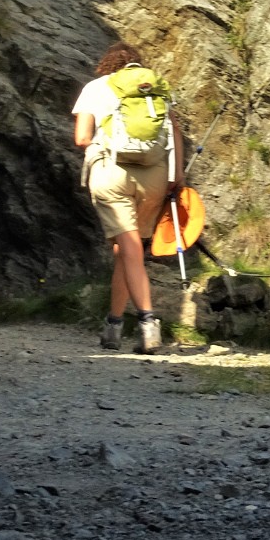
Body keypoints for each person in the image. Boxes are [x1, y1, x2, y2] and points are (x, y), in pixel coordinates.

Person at [73, 42, 184, 352]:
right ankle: (113, 326)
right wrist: (177, 177)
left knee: (130, 247)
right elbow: (174, 131)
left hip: (112, 173)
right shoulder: (156, 88)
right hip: (155, 175)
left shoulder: (96, 87)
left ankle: (149, 325)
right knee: (129, 249)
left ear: (108, 64)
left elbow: (81, 137)